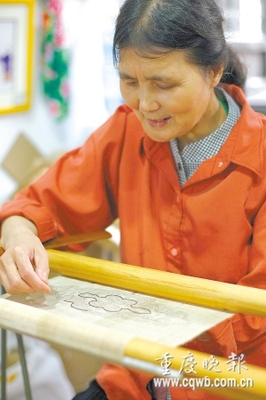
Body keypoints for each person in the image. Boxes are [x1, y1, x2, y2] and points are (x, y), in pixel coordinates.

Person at [0, 0, 265, 399]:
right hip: (135, 376)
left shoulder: (259, 157)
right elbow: (39, 203)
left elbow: (254, 311)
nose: (144, 103)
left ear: (212, 72)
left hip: (228, 379)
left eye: (164, 84)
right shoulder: (124, 131)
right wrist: (20, 235)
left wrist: (170, 346)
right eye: (130, 81)